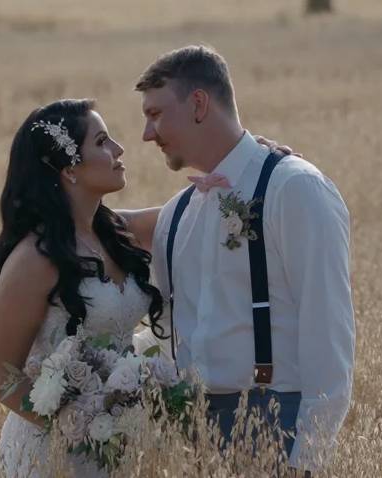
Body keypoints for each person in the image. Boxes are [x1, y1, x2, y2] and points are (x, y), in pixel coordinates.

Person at [129, 45, 355, 476]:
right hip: (194, 435)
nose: (146, 134)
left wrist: (306, 459)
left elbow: (330, 337)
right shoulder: (178, 212)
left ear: (198, 104)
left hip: (277, 424)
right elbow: (96, 228)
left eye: (155, 114)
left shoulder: (295, 188)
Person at [0, 98, 169, 477]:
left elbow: (200, 213)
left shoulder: (119, 231)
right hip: (50, 455)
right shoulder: (35, 259)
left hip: (117, 447)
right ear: (69, 169)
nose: (118, 150)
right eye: (102, 142)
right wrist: (76, 427)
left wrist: (257, 160)